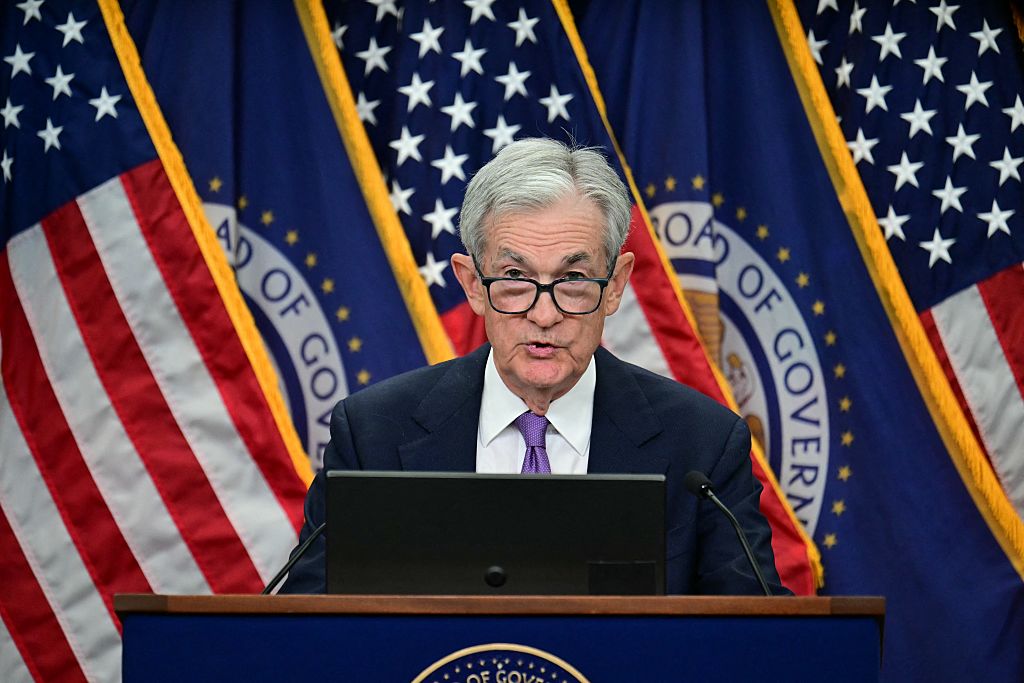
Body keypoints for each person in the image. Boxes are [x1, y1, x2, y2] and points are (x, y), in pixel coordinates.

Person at [279, 138, 786, 595]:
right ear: (472, 284)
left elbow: (758, 642)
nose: (544, 315)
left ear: (615, 285)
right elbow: (306, 628)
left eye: (573, 279)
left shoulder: (702, 447)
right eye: (515, 278)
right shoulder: (373, 437)